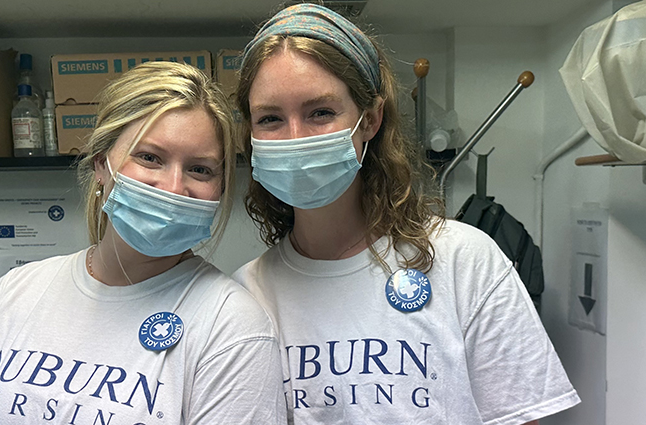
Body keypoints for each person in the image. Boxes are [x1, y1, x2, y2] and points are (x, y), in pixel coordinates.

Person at [232, 4, 580, 424]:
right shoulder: (246, 296)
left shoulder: (463, 261)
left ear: (370, 119)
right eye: (270, 118)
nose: (296, 137)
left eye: (320, 112)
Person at [0, 61, 286, 425]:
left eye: (200, 169)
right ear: (102, 164)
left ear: (220, 187)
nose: (173, 186)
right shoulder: (12, 296)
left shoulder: (230, 327)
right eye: (150, 158)